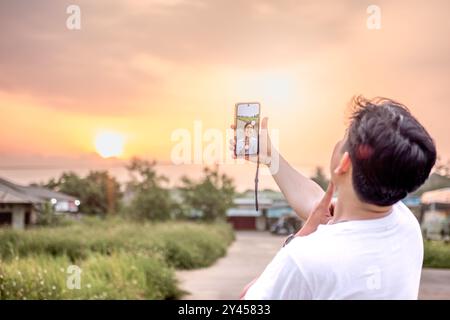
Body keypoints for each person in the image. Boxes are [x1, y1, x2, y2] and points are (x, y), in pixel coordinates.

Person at [230, 96, 436, 299]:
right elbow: (315, 202)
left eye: (344, 138)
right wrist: (270, 157)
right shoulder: (404, 223)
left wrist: (299, 237)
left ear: (344, 163)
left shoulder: (305, 260)